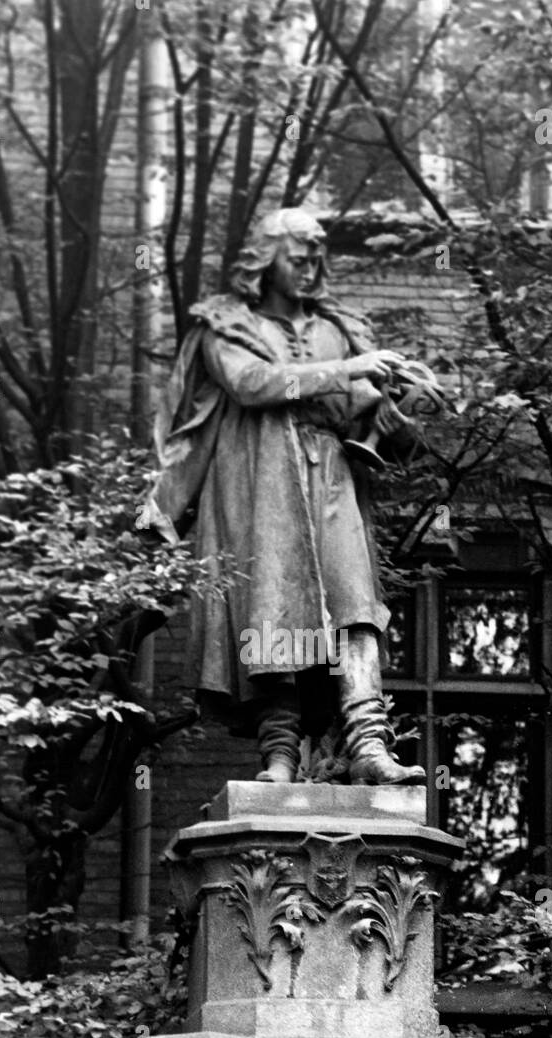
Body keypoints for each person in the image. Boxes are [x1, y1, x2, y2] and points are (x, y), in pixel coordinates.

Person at [138, 207, 426, 785]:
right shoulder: (227, 327)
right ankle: (280, 755)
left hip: (334, 480)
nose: (310, 269)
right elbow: (253, 384)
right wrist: (346, 370)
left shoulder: (339, 329)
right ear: (266, 260)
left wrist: (397, 403)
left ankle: (368, 744)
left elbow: (359, 414)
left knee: (355, 608)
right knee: (272, 612)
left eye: (317, 259)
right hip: (259, 482)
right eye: (297, 259)